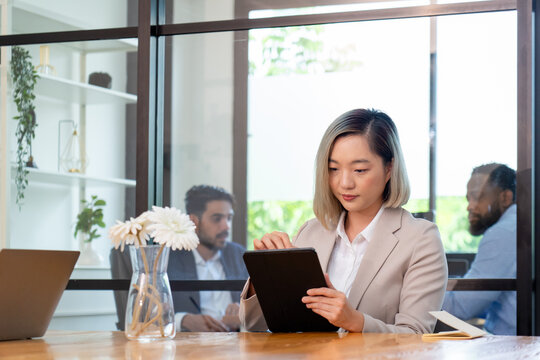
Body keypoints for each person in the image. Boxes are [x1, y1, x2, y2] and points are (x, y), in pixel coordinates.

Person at [240, 108, 447, 333]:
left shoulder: (420, 239)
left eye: (359, 170)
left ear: (389, 169)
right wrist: (263, 277)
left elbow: (416, 335)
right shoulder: (311, 232)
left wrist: (355, 321)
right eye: (333, 169)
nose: (344, 183)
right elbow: (253, 326)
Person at [111, 185, 248, 332]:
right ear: (194, 221)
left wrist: (246, 314)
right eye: (217, 219)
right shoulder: (166, 260)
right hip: (186, 348)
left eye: (229, 218)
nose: (226, 226)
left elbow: (261, 309)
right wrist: (182, 320)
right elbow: (144, 315)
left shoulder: (240, 256)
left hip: (235, 346)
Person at [442, 163, 516, 335]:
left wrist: (415, 292)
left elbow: (461, 308)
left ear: (505, 198)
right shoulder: (519, 224)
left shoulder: (503, 232)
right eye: (469, 199)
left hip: (511, 347)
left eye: (477, 197)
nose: (470, 206)